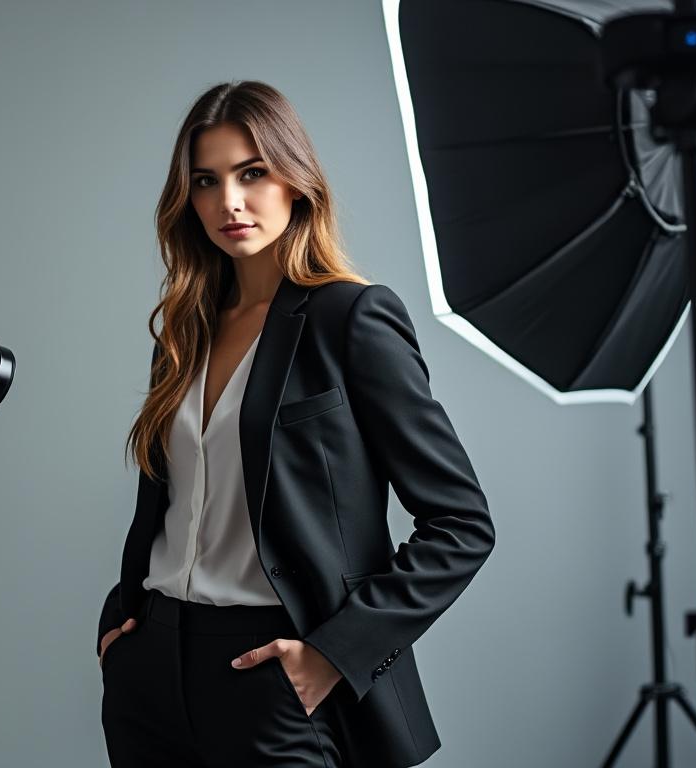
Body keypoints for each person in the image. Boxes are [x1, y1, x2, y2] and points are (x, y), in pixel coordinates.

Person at [96, 81, 496, 768]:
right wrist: (120, 629)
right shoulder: (185, 334)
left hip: (273, 675)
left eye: (253, 173)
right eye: (206, 181)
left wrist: (334, 655)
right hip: (151, 669)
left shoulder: (353, 318)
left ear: (296, 180)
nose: (230, 202)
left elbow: (462, 525)